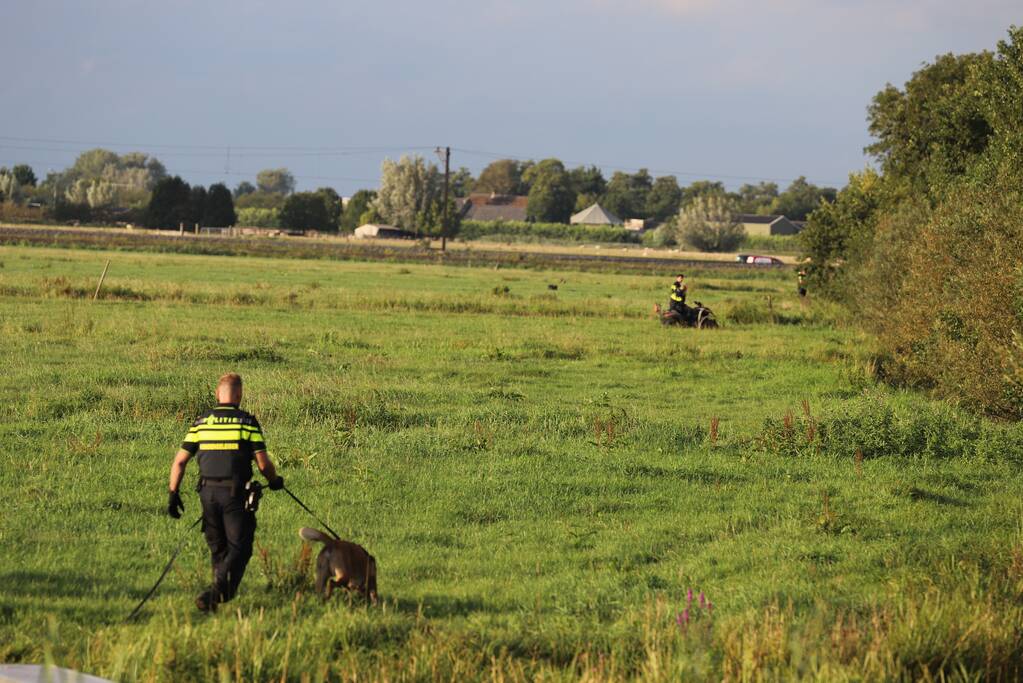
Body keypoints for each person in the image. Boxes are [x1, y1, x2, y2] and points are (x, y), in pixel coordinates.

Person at [167, 372, 283, 612]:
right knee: (240, 547)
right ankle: (215, 594)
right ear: (239, 395)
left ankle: (214, 601)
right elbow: (263, 464)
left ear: (217, 394)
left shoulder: (201, 422)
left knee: (218, 549)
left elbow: (179, 462)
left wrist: (173, 493)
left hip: (207, 493)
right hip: (234, 495)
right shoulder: (246, 422)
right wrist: (274, 481)